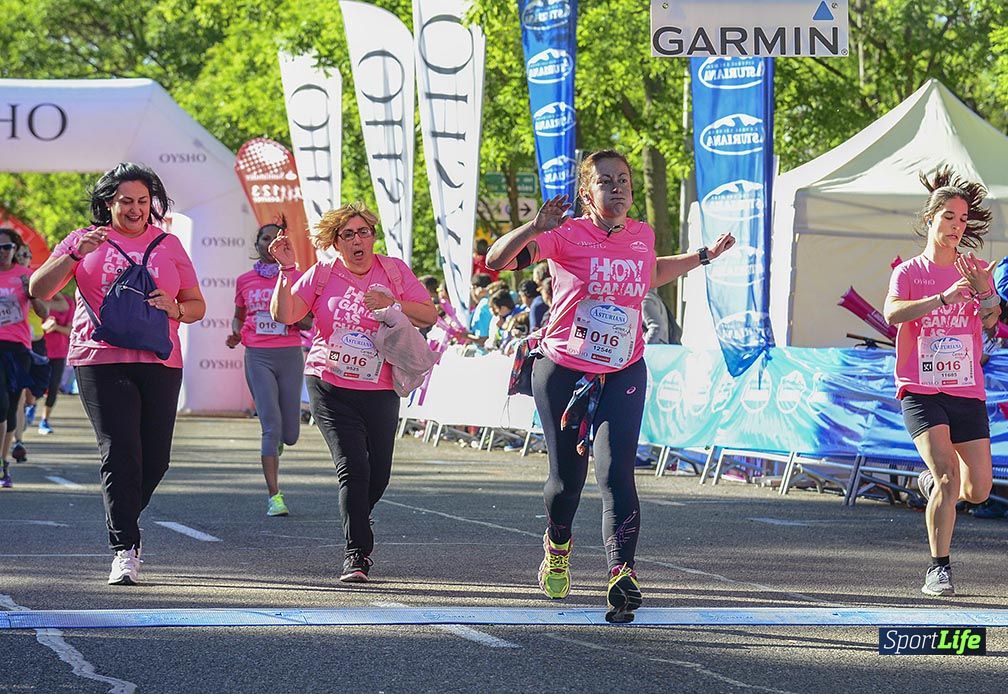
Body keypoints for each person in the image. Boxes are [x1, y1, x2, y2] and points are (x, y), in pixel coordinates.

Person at [486, 149, 735, 622]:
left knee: (616, 473)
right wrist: (536, 227)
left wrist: (703, 256)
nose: (617, 187)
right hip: (563, 369)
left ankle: (622, 573)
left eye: (623, 180)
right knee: (567, 483)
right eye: (605, 181)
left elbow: (652, 274)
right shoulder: (564, 234)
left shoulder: (641, 234)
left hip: (623, 367)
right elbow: (497, 261)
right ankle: (558, 545)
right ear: (587, 192)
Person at [29, 162, 205, 585]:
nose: (135, 209)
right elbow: (39, 290)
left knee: (155, 459)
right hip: (99, 357)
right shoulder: (83, 241)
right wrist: (75, 253)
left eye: (143, 202)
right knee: (120, 449)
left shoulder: (168, 245)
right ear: (108, 202)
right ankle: (125, 547)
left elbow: (197, 305)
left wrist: (175, 308)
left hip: (160, 360)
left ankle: (122, 511)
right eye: (126, 201)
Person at [269, 201, 436, 583]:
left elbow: (428, 315)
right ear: (335, 242)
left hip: (379, 386)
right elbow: (286, 314)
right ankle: (356, 555)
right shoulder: (323, 273)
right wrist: (285, 270)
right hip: (330, 384)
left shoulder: (392, 271)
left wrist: (392, 302)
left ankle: (357, 515)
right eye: (349, 234)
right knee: (353, 469)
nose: (359, 240)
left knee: (378, 475)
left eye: (365, 232)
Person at [882, 166, 999, 598]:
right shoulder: (909, 271)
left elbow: (991, 323)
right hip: (920, 387)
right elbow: (892, 313)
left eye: (963, 219)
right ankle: (939, 569)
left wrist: (986, 293)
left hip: (966, 389)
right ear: (931, 217)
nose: (957, 225)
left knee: (978, 489)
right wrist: (942, 298)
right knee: (950, 475)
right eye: (949, 216)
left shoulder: (973, 269)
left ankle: (931, 484)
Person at [226, 219, 310, 517]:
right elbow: (239, 316)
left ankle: (278, 445)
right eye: (264, 239)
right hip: (258, 354)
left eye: (276, 239)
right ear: (258, 244)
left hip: (289, 353)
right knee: (270, 426)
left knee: (290, 434)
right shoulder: (244, 281)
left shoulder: (296, 276)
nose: (269, 244)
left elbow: (309, 320)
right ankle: (275, 496)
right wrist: (236, 333)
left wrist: (293, 317)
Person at [0, 229, 49, 488]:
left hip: (18, 348)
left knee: (10, 406)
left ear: (14, 249)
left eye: (7, 247)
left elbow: (44, 312)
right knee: (0, 402)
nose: (3, 252)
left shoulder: (26, 276)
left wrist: (31, 295)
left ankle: (3, 460)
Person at [38, 290, 75, 435]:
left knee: (53, 387)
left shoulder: (67, 303)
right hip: (39, 350)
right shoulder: (37, 299)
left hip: (59, 352)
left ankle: (44, 420)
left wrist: (56, 327)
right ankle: (30, 405)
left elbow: (71, 331)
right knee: (37, 387)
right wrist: (44, 327)